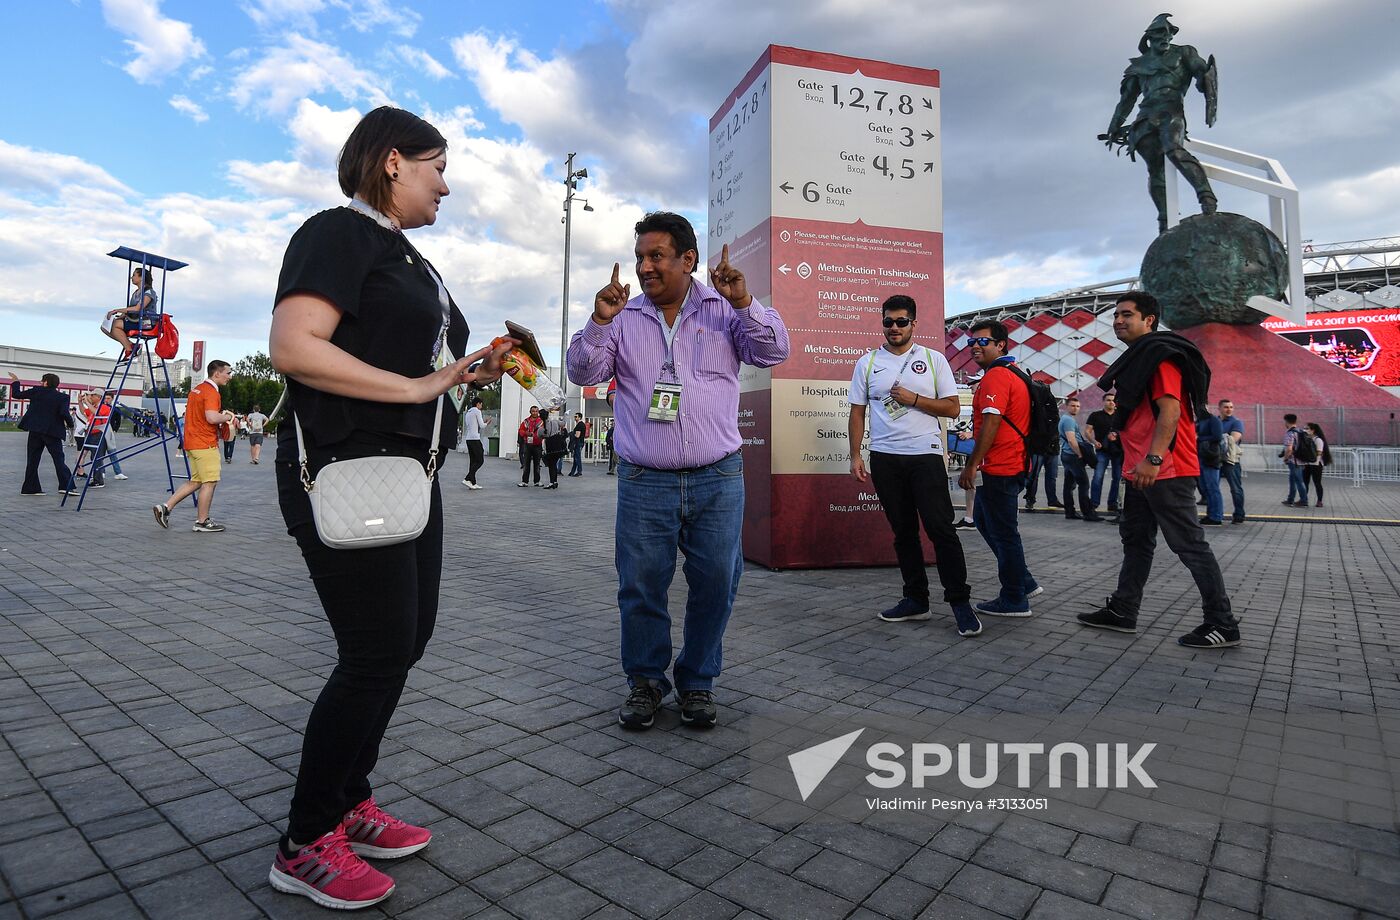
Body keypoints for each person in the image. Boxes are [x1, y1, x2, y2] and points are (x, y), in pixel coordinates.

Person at [265, 105, 513, 911]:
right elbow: (295, 345)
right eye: (438, 166)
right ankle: (305, 841)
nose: (448, 183)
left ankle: (348, 799)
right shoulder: (337, 233)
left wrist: (465, 370)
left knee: (406, 642)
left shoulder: (408, 257)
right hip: (343, 467)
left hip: (409, 473)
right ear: (394, 161)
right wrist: (415, 386)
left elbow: (413, 358)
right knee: (372, 652)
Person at [567, 212, 789, 730]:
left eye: (656, 256)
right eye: (640, 256)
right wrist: (599, 320)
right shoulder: (623, 316)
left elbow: (775, 349)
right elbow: (583, 371)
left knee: (716, 581)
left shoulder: (724, 310)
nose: (645, 267)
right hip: (646, 480)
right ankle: (645, 682)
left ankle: (697, 682)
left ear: (688, 260)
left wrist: (743, 301)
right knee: (641, 585)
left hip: (718, 476)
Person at [1081, 292, 1240, 648]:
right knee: (1136, 542)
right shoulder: (1140, 358)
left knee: (1190, 546)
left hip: (1164, 468)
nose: (1119, 321)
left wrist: (1153, 459)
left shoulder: (1160, 359)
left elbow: (1170, 413)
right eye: (1116, 315)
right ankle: (1123, 611)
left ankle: (1223, 623)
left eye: (1127, 315)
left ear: (1150, 320)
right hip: (1139, 468)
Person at [847, 295, 981, 637]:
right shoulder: (868, 362)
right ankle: (915, 600)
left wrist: (915, 400)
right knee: (903, 532)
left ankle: (960, 603)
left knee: (940, 529)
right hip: (886, 457)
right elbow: (858, 412)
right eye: (888, 322)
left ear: (914, 324)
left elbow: (953, 408)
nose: (894, 328)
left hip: (925, 455)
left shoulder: (934, 359)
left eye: (901, 322)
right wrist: (856, 455)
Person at [1103, 13, 1218, 233]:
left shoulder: (1184, 52)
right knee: (1155, 168)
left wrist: (1205, 81)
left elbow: (1201, 72)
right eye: (1160, 34)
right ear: (1150, 38)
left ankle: (1206, 196)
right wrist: (1113, 126)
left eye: (1169, 33)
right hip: (1145, 117)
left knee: (1174, 150)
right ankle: (1165, 220)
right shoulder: (1139, 66)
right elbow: (1126, 101)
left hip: (1171, 111)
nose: (1165, 37)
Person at [959, 322, 1041, 617]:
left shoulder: (996, 376)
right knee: (982, 519)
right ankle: (1024, 581)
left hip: (1001, 466)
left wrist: (971, 465)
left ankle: (1014, 597)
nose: (975, 346)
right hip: (1011, 463)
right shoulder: (1014, 374)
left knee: (1005, 534)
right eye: (971, 342)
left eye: (983, 341)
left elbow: (991, 423)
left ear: (1001, 344)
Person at [152, 361, 237, 533]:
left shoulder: (196, 390)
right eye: (228, 373)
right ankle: (202, 521)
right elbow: (212, 417)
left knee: (196, 481)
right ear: (217, 374)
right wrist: (228, 416)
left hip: (191, 442)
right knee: (210, 482)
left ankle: (165, 508)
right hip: (205, 443)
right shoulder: (211, 392)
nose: (230, 376)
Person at [10, 371, 74, 495]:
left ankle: (30, 488)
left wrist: (16, 381)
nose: (40, 382)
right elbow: (64, 413)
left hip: (35, 430)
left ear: (46, 382)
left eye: (41, 380)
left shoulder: (36, 391)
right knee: (58, 459)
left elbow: (16, 395)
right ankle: (65, 486)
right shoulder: (62, 397)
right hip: (52, 432)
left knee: (32, 460)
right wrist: (70, 425)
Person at [1058, 396, 1102, 521]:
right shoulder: (1069, 421)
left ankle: (1070, 512)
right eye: (1072, 405)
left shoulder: (1065, 419)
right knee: (1084, 484)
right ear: (1067, 406)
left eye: (1077, 406)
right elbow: (1072, 440)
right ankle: (1088, 513)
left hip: (1067, 454)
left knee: (1069, 485)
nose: (1075, 408)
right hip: (1072, 455)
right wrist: (1080, 454)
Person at [101, 267, 159, 359]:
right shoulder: (135, 293)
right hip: (135, 320)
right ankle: (131, 346)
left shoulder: (149, 292)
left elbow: (137, 308)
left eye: (134, 275)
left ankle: (130, 349)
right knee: (105, 327)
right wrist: (120, 316)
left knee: (116, 325)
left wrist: (117, 310)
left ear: (141, 277)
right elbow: (130, 309)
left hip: (145, 322)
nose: (131, 278)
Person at [1086, 393, 1122, 513]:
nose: (1111, 402)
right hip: (1102, 451)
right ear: (1103, 401)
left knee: (1117, 478)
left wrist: (1117, 435)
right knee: (1098, 477)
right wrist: (1094, 441)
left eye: (1113, 400)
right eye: (1108, 400)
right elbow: (1087, 431)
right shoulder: (1096, 415)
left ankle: (1112, 504)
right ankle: (1094, 503)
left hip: (1118, 451)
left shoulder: (1120, 415)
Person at [1196, 405, 1225, 524]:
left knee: (1212, 488)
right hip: (1201, 456)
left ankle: (1216, 516)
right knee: (1205, 488)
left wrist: (1199, 438)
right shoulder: (1199, 421)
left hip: (1210, 457)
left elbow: (1217, 436)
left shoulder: (1213, 420)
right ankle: (1211, 514)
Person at [1218, 398, 1245, 523]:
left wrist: (1214, 439)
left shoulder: (1236, 422)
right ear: (1219, 408)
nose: (1229, 409)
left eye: (1231, 407)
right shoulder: (1215, 421)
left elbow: (1233, 439)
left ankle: (1239, 514)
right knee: (1212, 488)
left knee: (1235, 488)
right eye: (1226, 407)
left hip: (1230, 460)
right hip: (1215, 459)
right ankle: (1215, 514)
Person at [1302, 422, 1332, 508]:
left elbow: (1319, 452)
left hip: (1316, 464)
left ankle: (1319, 501)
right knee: (1305, 482)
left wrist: (1313, 459)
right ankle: (1304, 499)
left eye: (1307, 428)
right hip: (1307, 464)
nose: (1305, 430)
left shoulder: (1318, 440)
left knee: (1317, 483)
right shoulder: (1306, 439)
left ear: (1313, 430)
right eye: (1304, 428)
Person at [1281, 413, 1308, 507]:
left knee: (1298, 481)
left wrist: (1285, 458)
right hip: (1301, 460)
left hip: (1293, 461)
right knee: (1293, 480)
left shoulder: (1290, 433)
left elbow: (1289, 449)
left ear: (1287, 422)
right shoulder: (1301, 431)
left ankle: (1303, 500)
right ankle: (1290, 499)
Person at [460, 396, 486, 489]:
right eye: (481, 404)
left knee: (473, 461)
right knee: (480, 460)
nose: (481, 406)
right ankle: (467, 478)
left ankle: (472, 482)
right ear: (478, 403)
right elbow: (482, 425)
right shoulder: (477, 411)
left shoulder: (468, 412)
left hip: (469, 438)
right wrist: (487, 422)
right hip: (475, 438)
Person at [541, 408, 567, 489]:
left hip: (550, 445)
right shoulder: (555, 422)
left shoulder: (542, 426)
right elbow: (563, 423)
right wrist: (565, 415)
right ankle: (554, 481)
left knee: (551, 465)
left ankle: (552, 482)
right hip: (557, 444)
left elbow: (540, 435)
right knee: (554, 464)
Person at [518, 405, 543, 487]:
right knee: (526, 464)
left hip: (538, 445)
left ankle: (537, 481)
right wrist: (526, 433)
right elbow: (520, 431)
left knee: (537, 464)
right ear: (530, 412)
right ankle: (525, 481)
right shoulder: (526, 421)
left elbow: (544, 432)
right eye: (533, 411)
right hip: (527, 445)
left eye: (536, 411)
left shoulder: (541, 421)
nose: (535, 413)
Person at [568, 412, 588, 476]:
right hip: (580, 442)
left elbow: (577, 435)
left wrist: (571, 434)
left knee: (577, 458)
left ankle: (579, 471)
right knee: (576, 457)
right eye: (574, 416)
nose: (575, 418)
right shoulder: (581, 424)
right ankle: (572, 472)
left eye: (576, 417)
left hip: (578, 442)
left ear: (579, 417)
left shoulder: (580, 425)